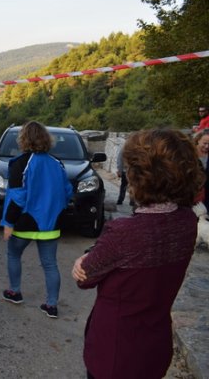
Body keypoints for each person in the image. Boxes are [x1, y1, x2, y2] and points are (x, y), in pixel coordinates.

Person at [72, 129, 204, 379]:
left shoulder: (125, 232)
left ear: (141, 177)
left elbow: (85, 277)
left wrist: (84, 259)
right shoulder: (187, 221)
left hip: (116, 352)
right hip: (154, 346)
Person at [0, 121, 73, 319]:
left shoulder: (20, 163)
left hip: (25, 222)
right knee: (50, 264)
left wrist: (8, 223)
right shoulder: (57, 163)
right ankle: (51, 305)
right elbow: (68, 192)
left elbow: (18, 198)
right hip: (50, 223)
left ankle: (15, 292)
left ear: (23, 139)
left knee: (13, 255)